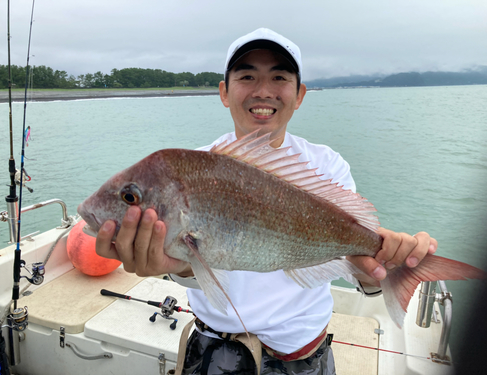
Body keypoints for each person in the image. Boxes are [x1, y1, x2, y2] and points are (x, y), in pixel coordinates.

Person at [95, 28, 438, 375]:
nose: (263, 91)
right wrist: (176, 265)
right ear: (224, 92)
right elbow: (194, 267)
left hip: (303, 356)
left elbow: (357, 272)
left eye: (279, 76)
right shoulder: (192, 166)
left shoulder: (327, 166)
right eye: (247, 76)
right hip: (214, 348)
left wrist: (384, 267)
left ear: (299, 94)